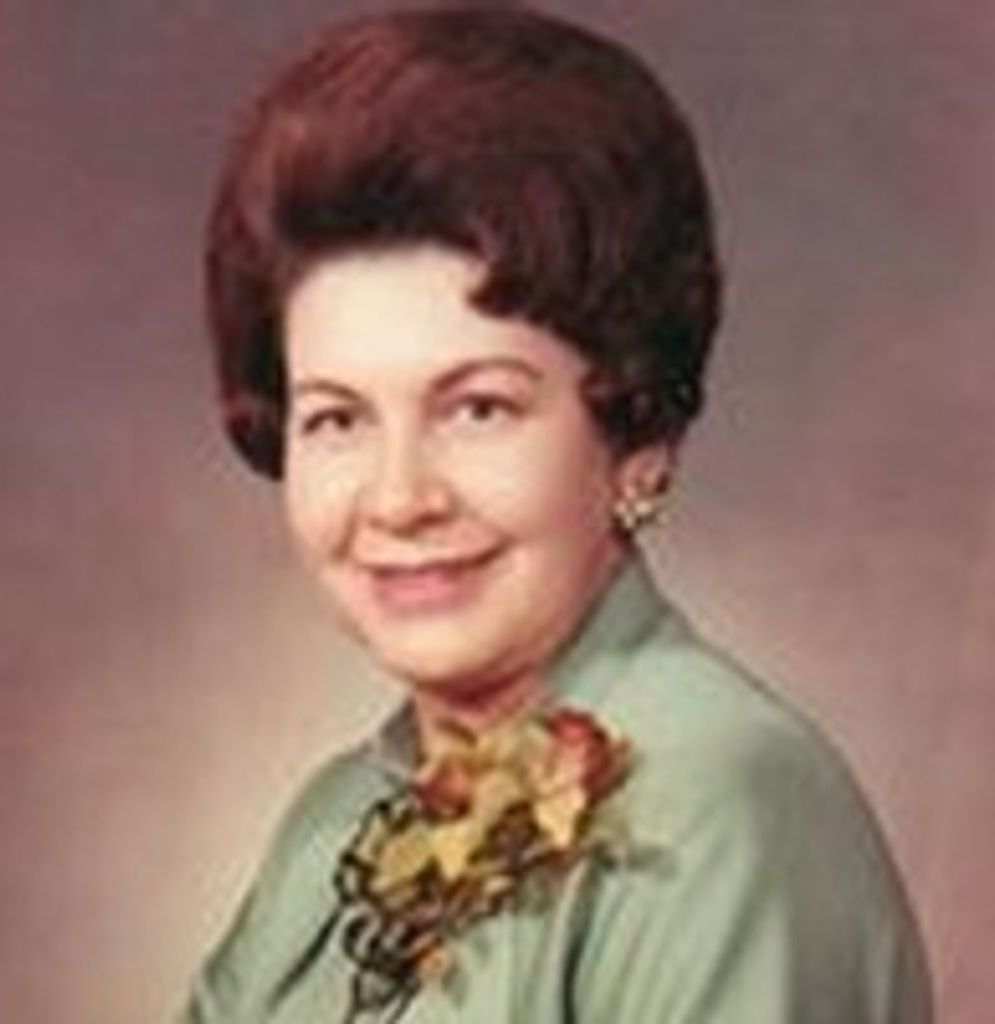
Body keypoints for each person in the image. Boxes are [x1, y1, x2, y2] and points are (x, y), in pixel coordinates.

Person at [181, 5, 932, 1022]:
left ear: (635, 433)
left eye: (478, 408)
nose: (399, 498)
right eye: (337, 418)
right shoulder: (336, 824)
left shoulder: (723, 808)